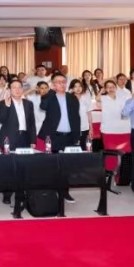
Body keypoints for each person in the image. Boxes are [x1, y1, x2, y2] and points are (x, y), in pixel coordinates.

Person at [39, 73, 80, 203]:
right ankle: (50, 192)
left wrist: (76, 136)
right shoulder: (48, 96)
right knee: (51, 165)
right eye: (58, 82)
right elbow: (43, 106)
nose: (61, 84)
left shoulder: (72, 97)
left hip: (68, 136)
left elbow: (76, 117)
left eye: (63, 81)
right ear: (53, 84)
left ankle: (64, 192)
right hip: (53, 136)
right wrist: (52, 92)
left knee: (67, 166)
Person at [69, 79, 93, 149]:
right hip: (72, 128)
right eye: (75, 86)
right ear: (72, 88)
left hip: (84, 126)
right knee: (73, 148)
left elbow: (89, 113)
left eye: (79, 86)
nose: (78, 88)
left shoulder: (86, 98)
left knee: (84, 147)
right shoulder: (69, 98)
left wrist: (91, 128)